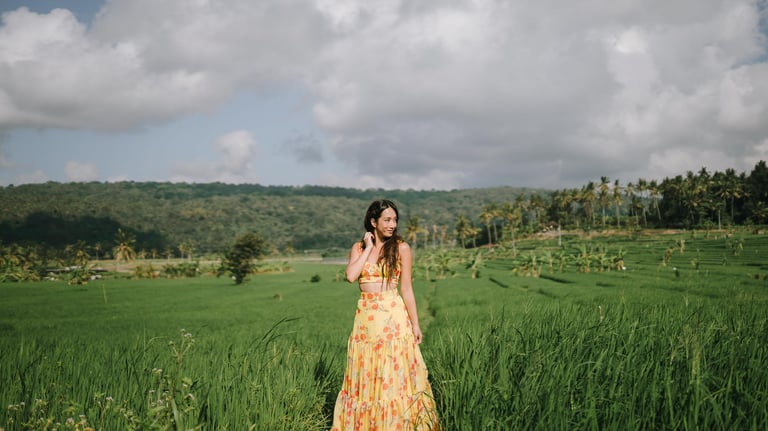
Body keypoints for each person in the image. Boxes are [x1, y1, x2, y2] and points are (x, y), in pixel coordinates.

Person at [331, 199, 440, 430]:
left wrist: (416, 324)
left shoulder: (401, 248)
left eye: (395, 220)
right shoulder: (359, 248)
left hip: (393, 319)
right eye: (387, 219)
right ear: (373, 221)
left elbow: (407, 288)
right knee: (369, 375)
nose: (392, 224)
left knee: (393, 374)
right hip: (366, 321)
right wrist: (369, 247)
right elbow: (351, 276)